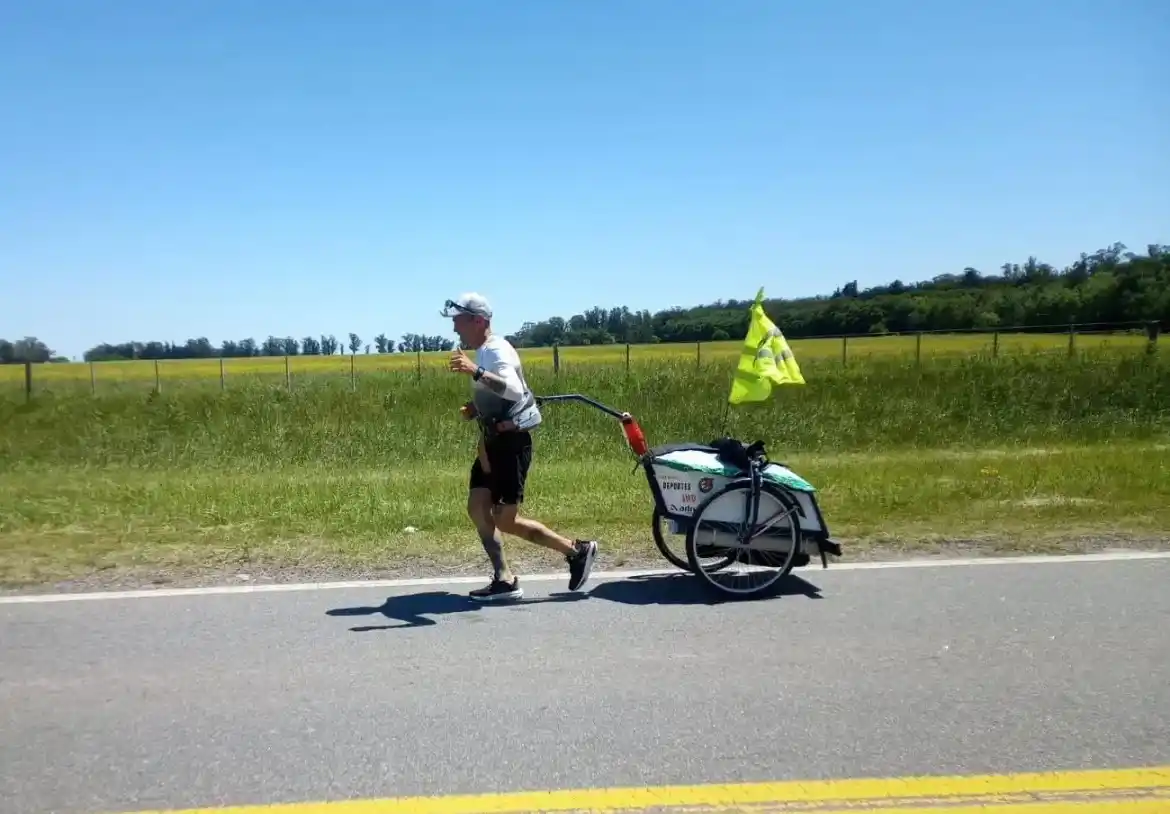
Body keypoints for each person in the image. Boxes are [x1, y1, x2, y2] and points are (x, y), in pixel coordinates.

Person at [442, 292, 599, 601]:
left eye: (459, 321)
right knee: (477, 507)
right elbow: (497, 394)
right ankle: (504, 578)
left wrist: (474, 371)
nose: (455, 328)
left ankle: (576, 551)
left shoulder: (497, 350)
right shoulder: (485, 352)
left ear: (478, 320)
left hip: (510, 445)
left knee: (505, 519)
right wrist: (477, 407)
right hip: (490, 444)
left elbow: (513, 390)